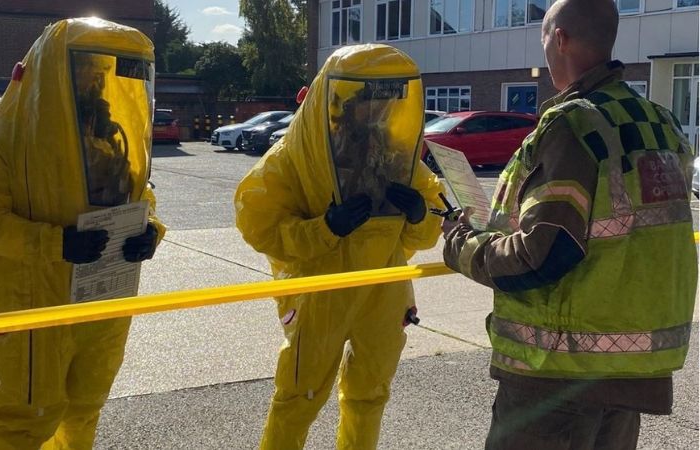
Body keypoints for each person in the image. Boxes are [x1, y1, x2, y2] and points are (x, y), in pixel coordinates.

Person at [442, 1, 698, 448]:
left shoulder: (573, 124)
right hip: (630, 374)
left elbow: (543, 252)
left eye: (542, 39)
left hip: (558, 375)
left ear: (558, 38)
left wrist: (462, 245)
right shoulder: (663, 124)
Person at [0, 18, 165, 449]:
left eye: (98, 76)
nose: (94, 90)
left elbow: (136, 192)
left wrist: (148, 232)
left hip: (100, 293)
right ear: (54, 74)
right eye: (84, 74)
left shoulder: (101, 138)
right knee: (30, 412)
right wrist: (53, 244)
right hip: (28, 297)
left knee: (86, 400)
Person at [235, 43, 446, 449]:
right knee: (299, 398)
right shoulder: (296, 157)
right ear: (342, 101)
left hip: (383, 290)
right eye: (369, 101)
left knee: (369, 396)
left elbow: (427, 225)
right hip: (321, 291)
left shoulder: (394, 156)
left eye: (385, 102)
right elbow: (260, 226)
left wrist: (420, 214)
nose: (378, 113)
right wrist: (325, 228)